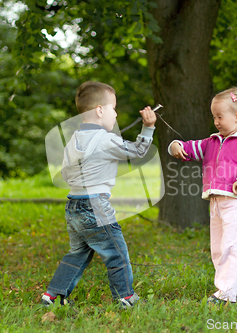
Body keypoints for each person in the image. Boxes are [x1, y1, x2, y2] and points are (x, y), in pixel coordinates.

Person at [41, 81, 157, 308]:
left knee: (77, 253)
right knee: (117, 253)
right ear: (100, 110)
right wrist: (148, 127)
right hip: (96, 206)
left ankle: (53, 296)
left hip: (73, 205)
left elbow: (65, 175)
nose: (116, 113)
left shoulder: (72, 141)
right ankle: (125, 297)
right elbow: (139, 151)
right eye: (113, 107)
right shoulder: (107, 139)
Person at [168, 87, 237, 304]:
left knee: (230, 247)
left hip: (234, 201)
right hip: (215, 201)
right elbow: (190, 148)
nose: (215, 121)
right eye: (214, 116)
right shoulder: (212, 142)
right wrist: (175, 146)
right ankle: (235, 285)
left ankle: (225, 293)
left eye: (220, 116)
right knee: (217, 248)